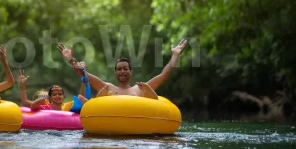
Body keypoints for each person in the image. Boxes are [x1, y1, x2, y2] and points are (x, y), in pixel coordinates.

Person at [57, 39, 188, 101]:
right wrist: (70, 59)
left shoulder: (141, 89)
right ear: (115, 73)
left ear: (131, 72)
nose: (122, 71)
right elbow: (84, 74)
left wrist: (175, 55)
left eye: (125, 68)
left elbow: (165, 74)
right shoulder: (107, 88)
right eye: (119, 69)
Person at [18, 62, 91, 112]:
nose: (57, 96)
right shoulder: (46, 106)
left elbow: (81, 100)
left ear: (63, 96)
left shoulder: (68, 106)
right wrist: (22, 85)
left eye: (60, 94)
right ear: (50, 98)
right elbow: (26, 103)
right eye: (54, 94)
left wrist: (83, 79)